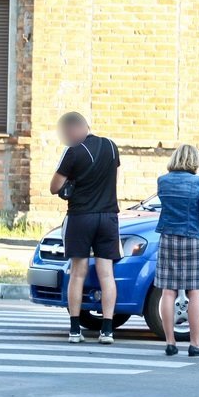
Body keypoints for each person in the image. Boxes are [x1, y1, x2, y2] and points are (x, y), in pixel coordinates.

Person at [49, 112, 121, 344]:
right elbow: (114, 178)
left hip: (81, 216)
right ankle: (107, 331)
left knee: (78, 272)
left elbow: (54, 187)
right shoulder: (111, 146)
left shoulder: (73, 151)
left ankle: (74, 329)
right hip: (108, 216)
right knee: (106, 273)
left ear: (73, 130)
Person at [154, 144, 199, 357]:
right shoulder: (198, 183)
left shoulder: (163, 181)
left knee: (168, 291)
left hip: (168, 238)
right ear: (194, 160)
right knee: (196, 291)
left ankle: (170, 342)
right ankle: (195, 343)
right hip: (194, 240)